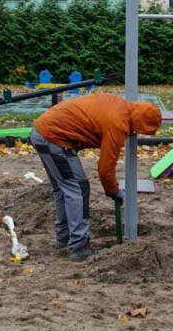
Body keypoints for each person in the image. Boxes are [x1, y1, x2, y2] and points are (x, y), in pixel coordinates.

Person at [30, 93, 163, 260]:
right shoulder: (118, 124)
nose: (137, 132)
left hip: (41, 132)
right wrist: (113, 191)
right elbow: (105, 168)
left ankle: (64, 237)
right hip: (53, 137)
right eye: (141, 129)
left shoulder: (119, 105)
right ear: (140, 121)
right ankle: (79, 246)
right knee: (78, 188)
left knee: (63, 188)